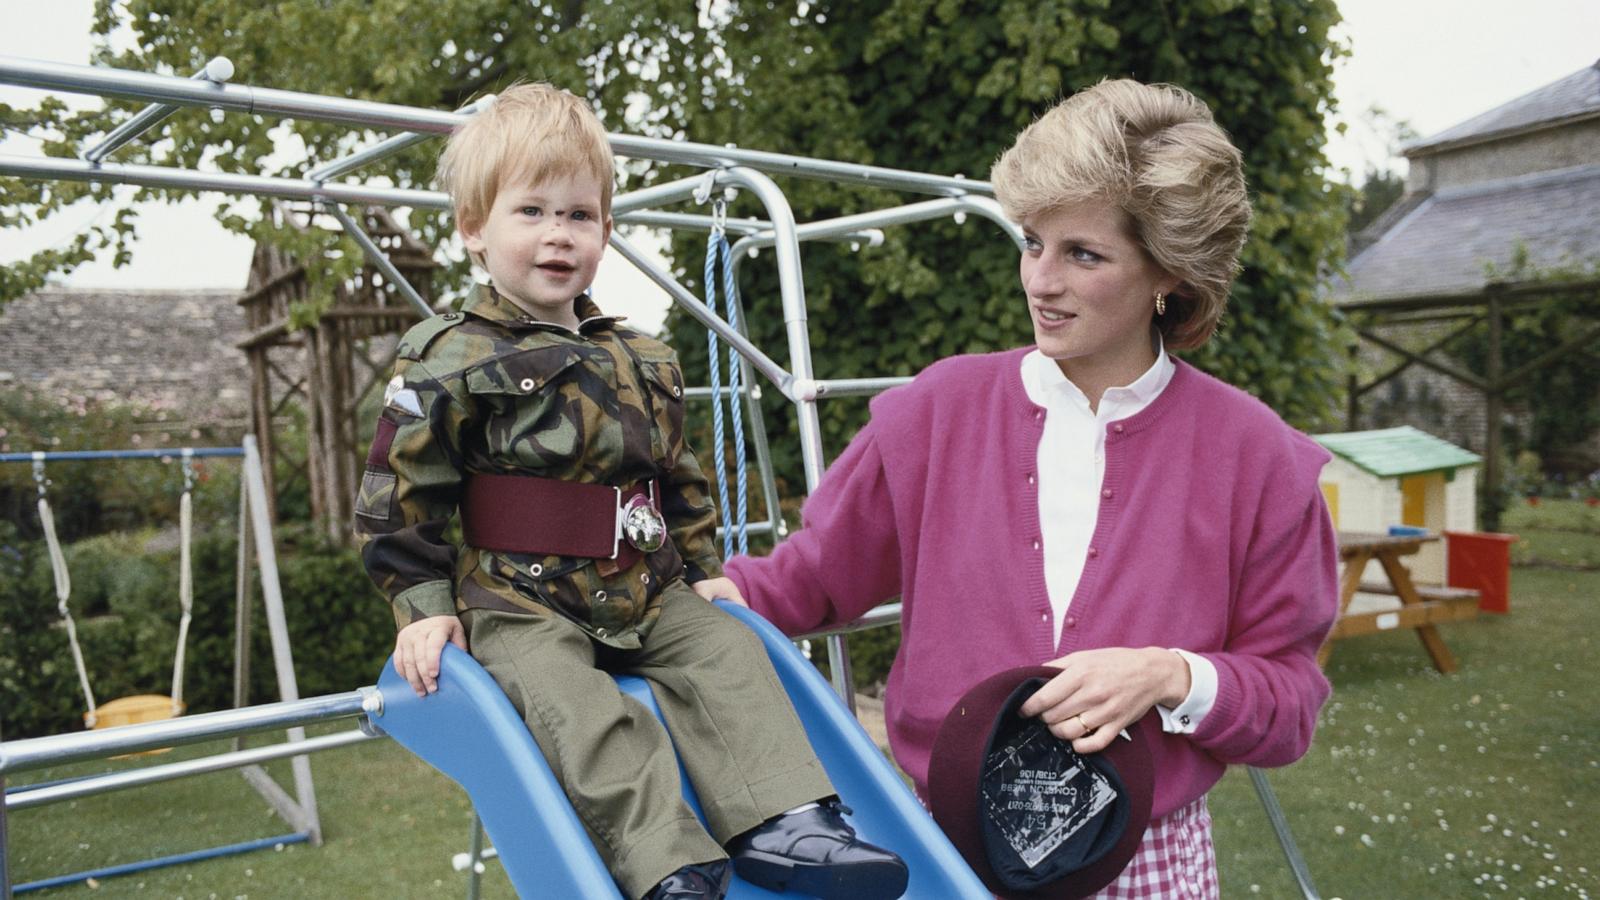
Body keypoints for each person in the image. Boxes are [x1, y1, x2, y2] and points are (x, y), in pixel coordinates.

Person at [695, 79, 1340, 897]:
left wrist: (1169, 673)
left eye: (1083, 254)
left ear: (1168, 275)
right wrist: (692, 598)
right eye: (1033, 242)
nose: (1041, 280)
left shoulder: (1261, 460)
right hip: (941, 852)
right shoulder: (935, 411)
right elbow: (810, 578)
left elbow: (1288, 706)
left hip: (1145, 867)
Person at [354, 83, 907, 900]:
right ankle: (667, 862)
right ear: (474, 229)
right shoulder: (448, 355)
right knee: (576, 706)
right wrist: (425, 604)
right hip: (518, 600)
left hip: (643, 588)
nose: (558, 234)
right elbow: (400, 490)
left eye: (579, 215)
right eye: (531, 212)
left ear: (606, 230)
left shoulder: (643, 355)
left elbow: (676, 477)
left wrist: (698, 564)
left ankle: (784, 822)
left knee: (729, 650)